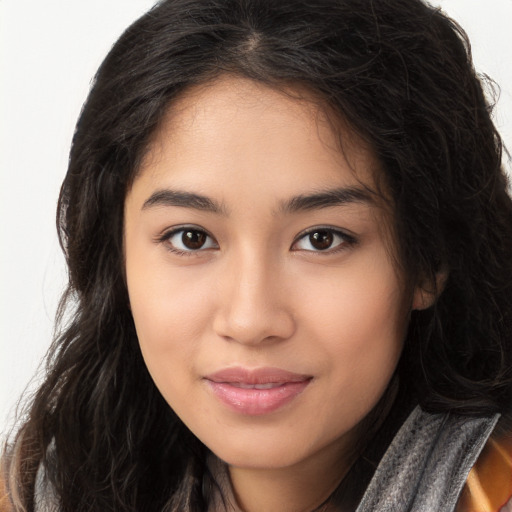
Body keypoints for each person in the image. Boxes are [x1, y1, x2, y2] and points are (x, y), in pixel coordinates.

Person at [2, 0, 512, 510]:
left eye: (321, 239)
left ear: (429, 259)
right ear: (117, 258)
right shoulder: (38, 489)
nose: (250, 320)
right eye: (191, 238)